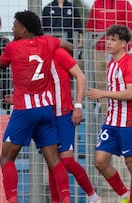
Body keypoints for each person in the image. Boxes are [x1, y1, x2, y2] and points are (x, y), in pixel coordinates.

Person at [0, 10, 73, 203]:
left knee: (6, 159)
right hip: (46, 110)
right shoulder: (48, 42)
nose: (12, 28)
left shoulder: (13, 47)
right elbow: (69, 46)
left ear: (23, 29)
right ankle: (66, 200)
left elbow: (1, 64)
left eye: (15, 25)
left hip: (24, 110)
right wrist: (45, 44)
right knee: (54, 160)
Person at [86, 25, 132, 203]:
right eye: (108, 39)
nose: (109, 42)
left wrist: (102, 93)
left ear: (124, 43)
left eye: (114, 39)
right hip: (112, 120)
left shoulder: (130, 64)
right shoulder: (111, 64)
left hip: (129, 121)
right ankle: (124, 194)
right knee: (100, 161)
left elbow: (130, 93)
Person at [46, 47, 102, 203]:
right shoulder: (34, 55)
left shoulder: (58, 52)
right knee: (51, 163)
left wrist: (78, 106)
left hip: (64, 114)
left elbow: (81, 77)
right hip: (45, 116)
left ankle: (92, 195)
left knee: (66, 160)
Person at [86, 0, 132, 115]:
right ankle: (107, 116)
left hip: (119, 52)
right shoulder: (97, 3)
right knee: (102, 85)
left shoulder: (124, 4)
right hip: (99, 51)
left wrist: (125, 49)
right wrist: (92, 45)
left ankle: (120, 114)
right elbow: (90, 27)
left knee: (120, 84)